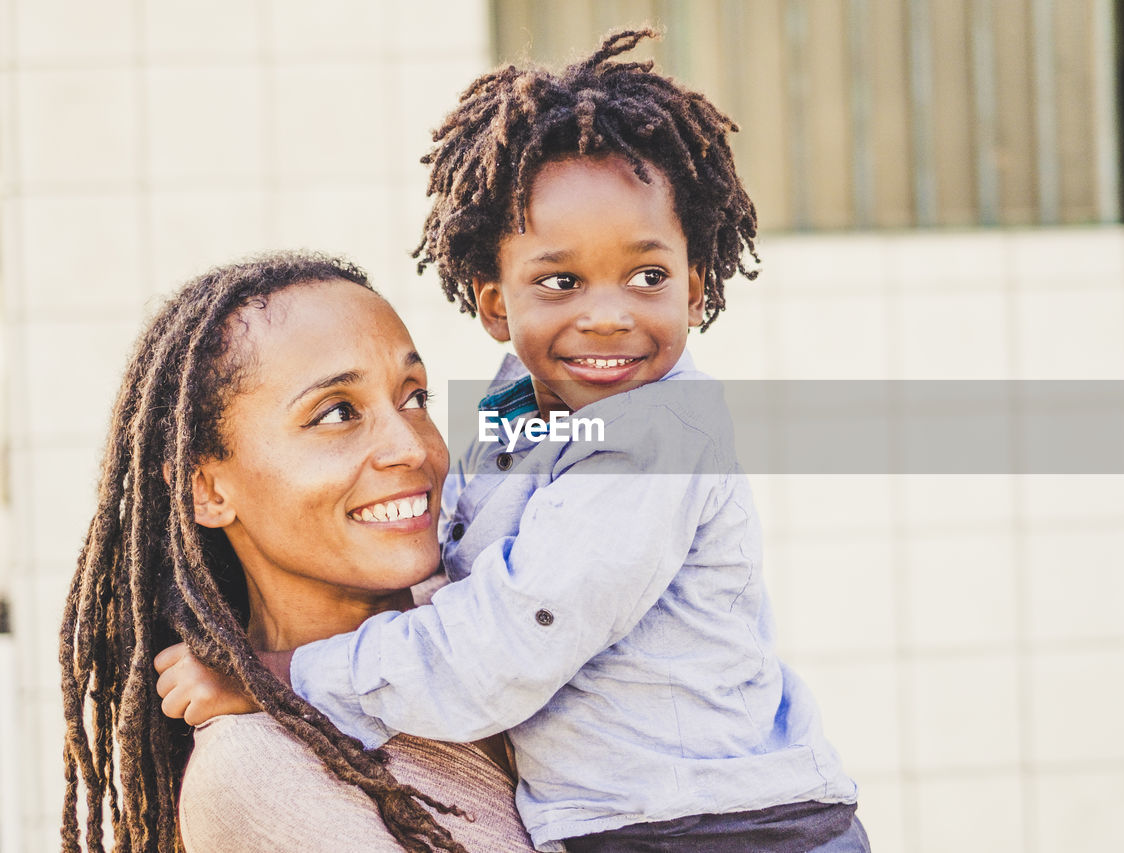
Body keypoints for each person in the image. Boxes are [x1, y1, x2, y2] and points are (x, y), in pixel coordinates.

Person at [161, 30, 869, 852]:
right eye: (561, 282)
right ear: (497, 305)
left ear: (696, 289)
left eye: (648, 277)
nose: (608, 314)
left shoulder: (652, 435)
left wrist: (283, 679)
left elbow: (508, 642)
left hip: (723, 828)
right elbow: (464, 521)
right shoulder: (516, 401)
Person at [61, 251, 535, 852]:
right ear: (206, 489)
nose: (411, 447)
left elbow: (665, 422)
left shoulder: (497, 599)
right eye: (336, 413)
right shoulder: (256, 770)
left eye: (414, 397)